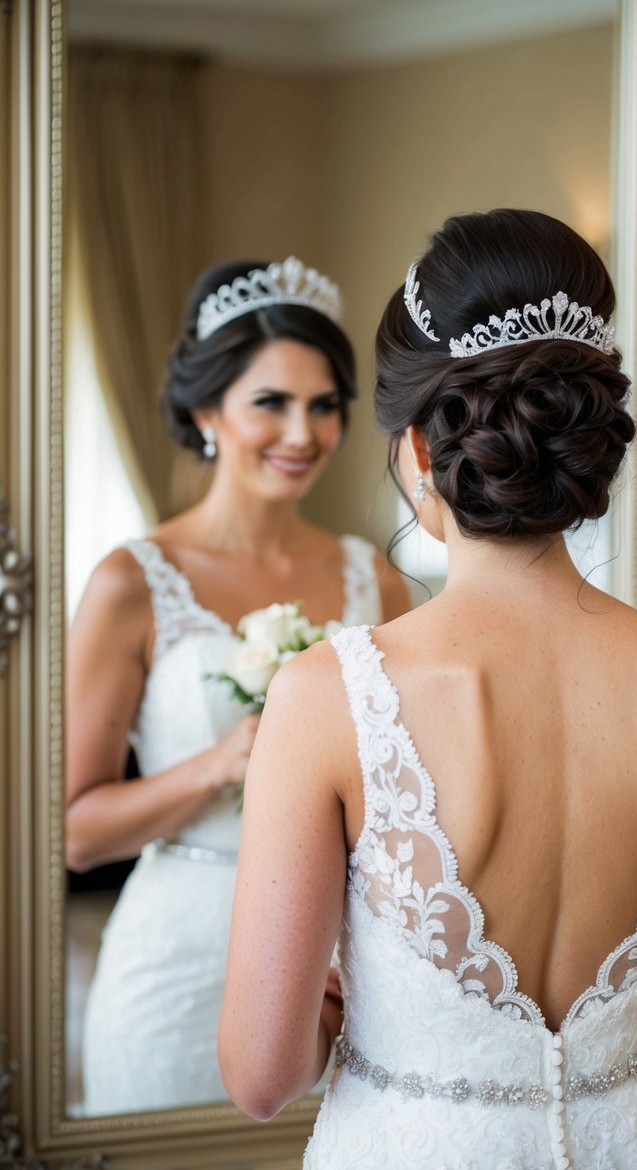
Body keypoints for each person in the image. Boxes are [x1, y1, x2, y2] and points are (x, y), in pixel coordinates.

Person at [219, 212, 637, 1169]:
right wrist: (627, 979)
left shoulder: (329, 694)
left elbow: (263, 1075)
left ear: (421, 453)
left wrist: (335, 995)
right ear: (585, 441)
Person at [66, 256, 409, 1116]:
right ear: (205, 409)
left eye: (325, 405)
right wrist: (217, 766)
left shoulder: (376, 578)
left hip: (333, 975)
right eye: (272, 403)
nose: (303, 433)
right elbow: (73, 833)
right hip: (173, 967)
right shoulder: (131, 582)